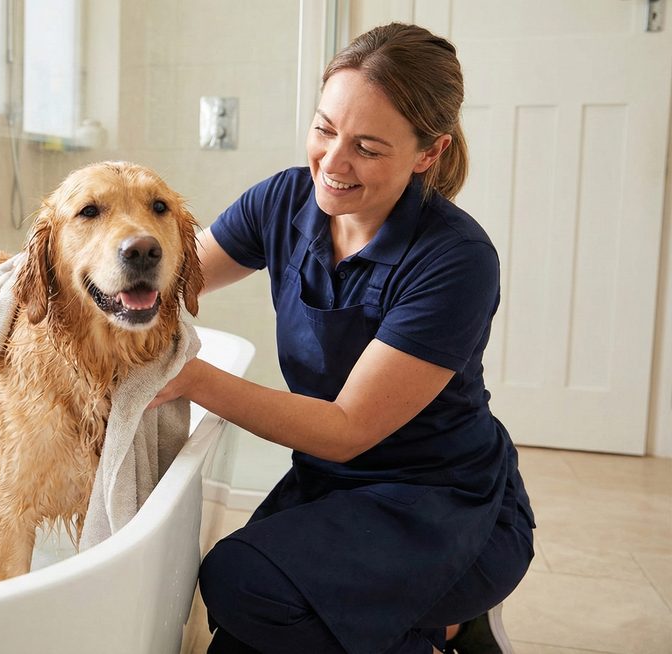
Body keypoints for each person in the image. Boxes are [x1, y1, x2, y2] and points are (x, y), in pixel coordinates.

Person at [150, 23, 536, 654]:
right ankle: (436, 627)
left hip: (439, 500)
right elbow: (169, 280)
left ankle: (449, 626)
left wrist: (190, 378)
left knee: (239, 580)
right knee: (240, 636)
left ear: (428, 153)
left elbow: (347, 429)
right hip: (330, 484)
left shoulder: (456, 259)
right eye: (324, 129)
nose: (331, 163)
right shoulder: (283, 201)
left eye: (367, 147)